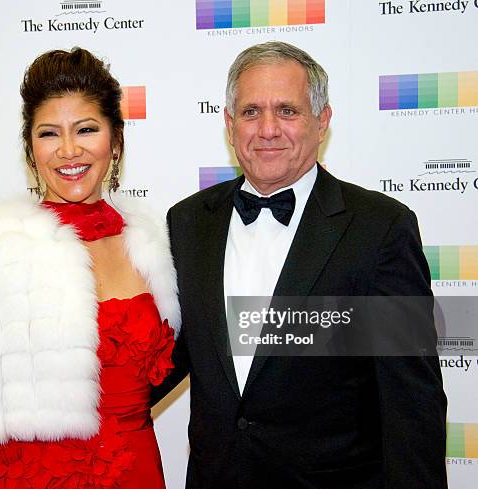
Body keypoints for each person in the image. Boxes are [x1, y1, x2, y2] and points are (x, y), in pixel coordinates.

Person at [153, 41, 447, 488]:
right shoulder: (188, 222)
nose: (267, 129)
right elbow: (166, 356)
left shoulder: (380, 228)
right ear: (230, 124)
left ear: (322, 121)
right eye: (251, 112)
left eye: (287, 111)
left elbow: (411, 403)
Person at [0, 47, 180, 489]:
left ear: (116, 140)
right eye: (49, 134)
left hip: (136, 471)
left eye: (86, 129)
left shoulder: (153, 246)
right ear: (31, 150)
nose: (68, 150)